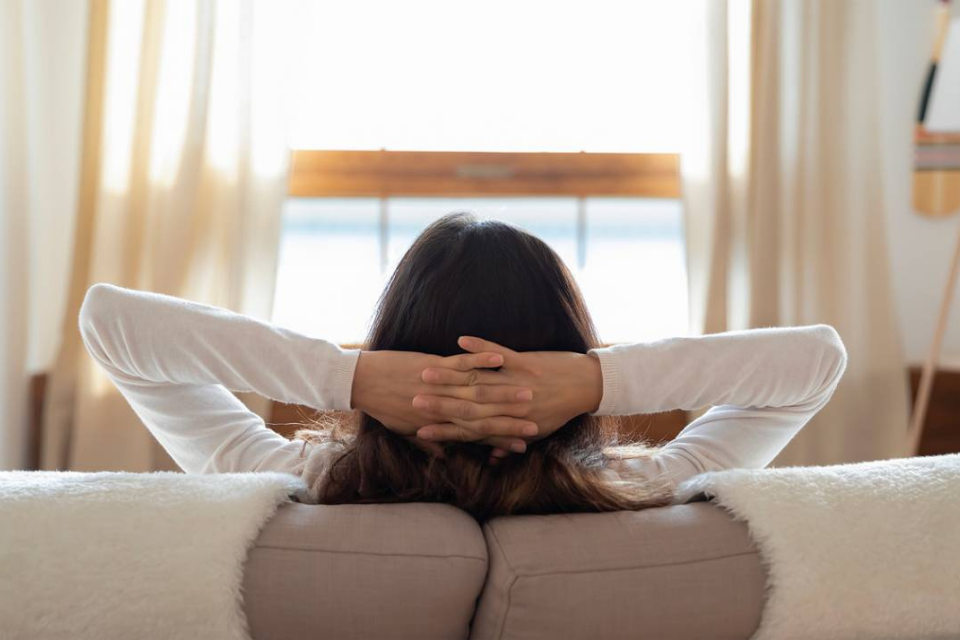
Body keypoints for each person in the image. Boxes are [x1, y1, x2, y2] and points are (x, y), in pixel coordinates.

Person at [79, 212, 848, 521]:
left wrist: (348, 381)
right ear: (565, 341)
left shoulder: (290, 478)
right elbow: (817, 361)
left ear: (397, 337)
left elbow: (110, 322)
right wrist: (594, 382)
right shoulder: (649, 486)